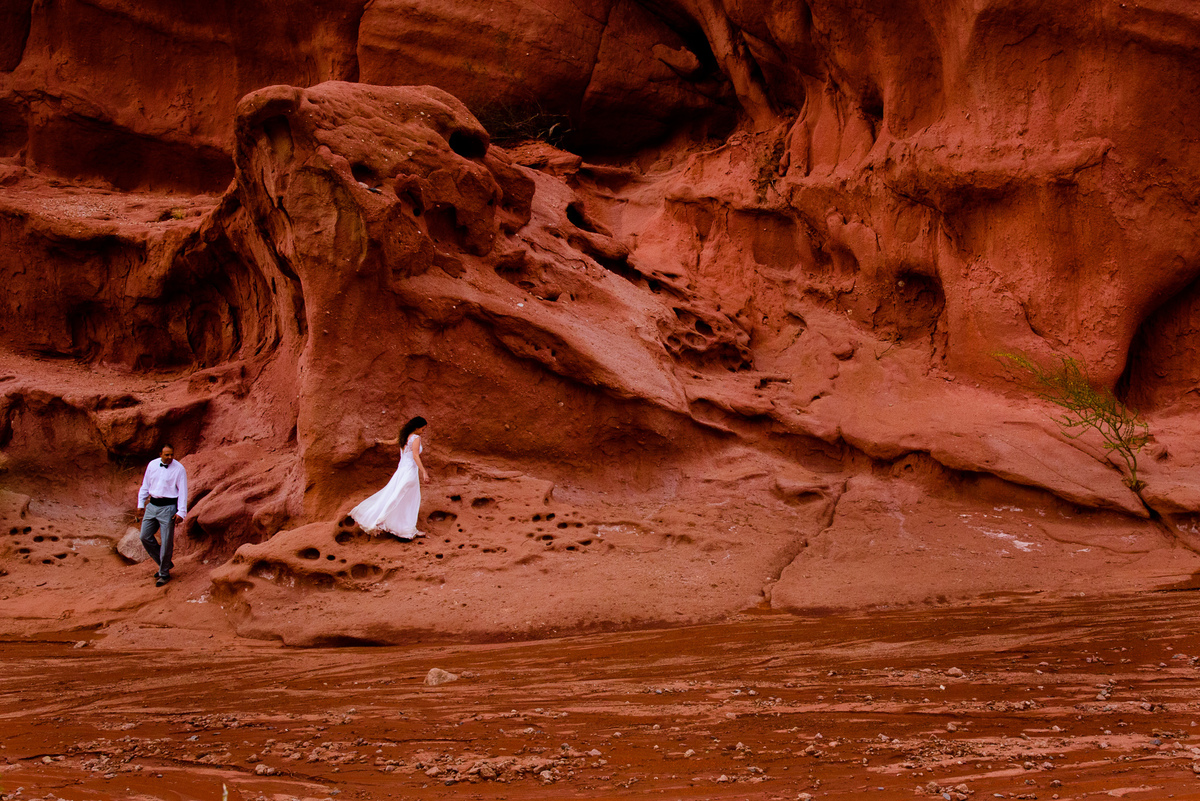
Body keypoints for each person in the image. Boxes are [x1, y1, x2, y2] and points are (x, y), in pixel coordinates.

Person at [350, 416, 429, 540]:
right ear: (416, 427)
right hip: (410, 471)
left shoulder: (404, 435)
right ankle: (383, 522)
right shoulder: (415, 438)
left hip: (401, 470)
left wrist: (380, 441)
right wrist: (424, 472)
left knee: (396, 495)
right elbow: (415, 456)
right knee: (408, 499)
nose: (423, 432)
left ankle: (403, 527)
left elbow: (393, 441)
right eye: (422, 429)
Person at [137, 444, 188, 587]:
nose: (170, 457)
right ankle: (164, 564)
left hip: (168, 508)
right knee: (144, 536)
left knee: (166, 542)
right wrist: (141, 504)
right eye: (167, 455)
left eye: (172, 454)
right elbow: (145, 485)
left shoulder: (179, 469)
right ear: (160, 454)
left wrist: (181, 511)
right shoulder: (152, 465)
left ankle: (164, 573)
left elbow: (183, 491)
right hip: (152, 506)